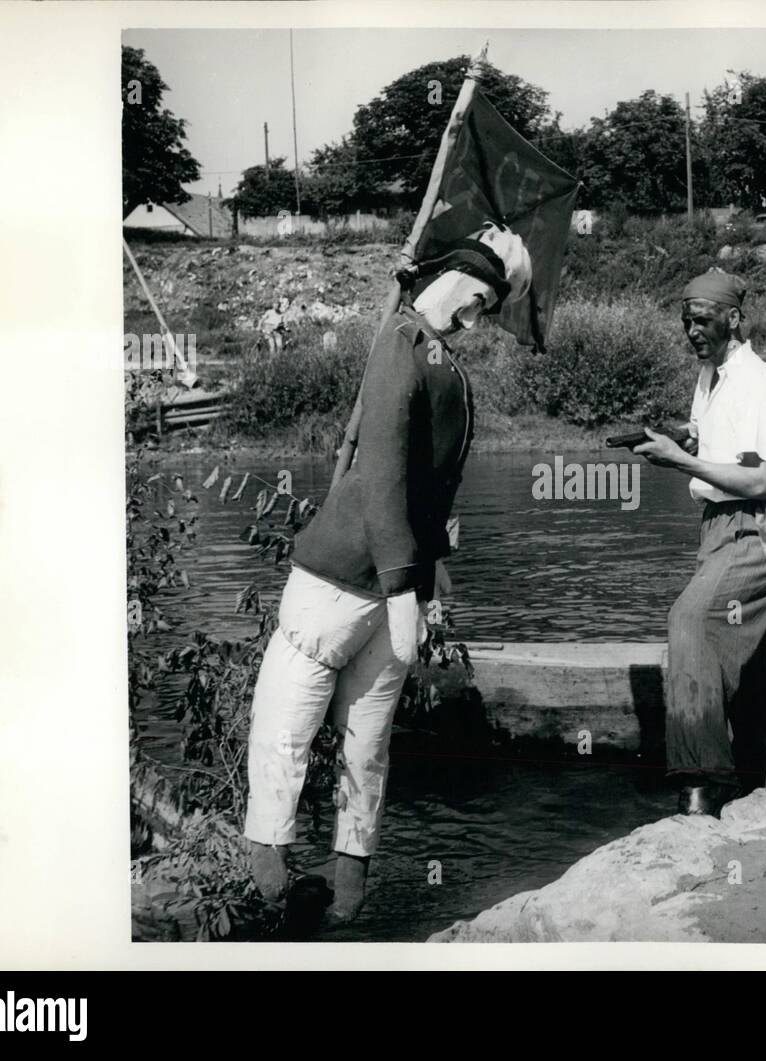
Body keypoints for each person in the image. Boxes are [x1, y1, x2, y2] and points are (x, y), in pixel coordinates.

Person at [244, 223, 533, 922]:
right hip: (383, 585)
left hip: (351, 579)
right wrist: (419, 581)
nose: (478, 321)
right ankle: (339, 895)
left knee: (290, 724)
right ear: (467, 292)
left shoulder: (402, 343)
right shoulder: (443, 368)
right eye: (483, 306)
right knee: (358, 742)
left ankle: (279, 882)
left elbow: (383, 479)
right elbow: (413, 484)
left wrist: (410, 584)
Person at [634, 270, 766, 817]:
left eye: (703, 320)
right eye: (686, 321)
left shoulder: (756, 381)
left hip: (758, 526)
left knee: (691, 622)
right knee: (744, 665)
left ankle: (700, 785)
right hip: (717, 527)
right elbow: (717, 437)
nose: (691, 331)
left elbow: (756, 478)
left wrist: (680, 461)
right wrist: (685, 436)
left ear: (733, 319)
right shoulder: (712, 375)